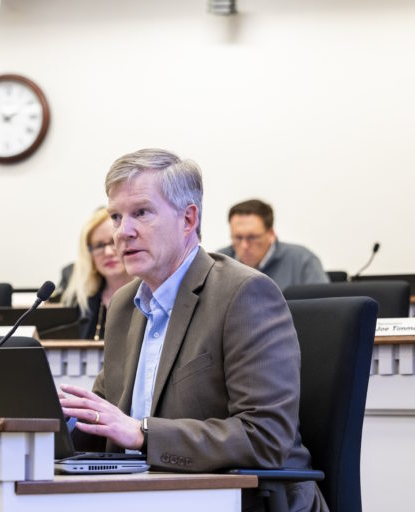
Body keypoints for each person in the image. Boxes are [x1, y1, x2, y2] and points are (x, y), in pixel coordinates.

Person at [59, 149, 327, 511]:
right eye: (116, 217)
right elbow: (108, 423)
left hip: (245, 499)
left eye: (141, 212)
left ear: (188, 219)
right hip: (150, 495)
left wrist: (143, 434)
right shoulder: (123, 305)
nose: (123, 232)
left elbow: (265, 437)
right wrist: (53, 424)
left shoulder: (244, 294)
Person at [218, 199, 329, 290]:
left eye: (252, 237)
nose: (244, 245)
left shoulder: (302, 261)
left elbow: (322, 306)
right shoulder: (218, 264)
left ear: (271, 234)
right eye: (238, 237)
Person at [61, 208, 132, 339]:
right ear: (90, 255)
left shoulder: (148, 296)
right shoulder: (83, 302)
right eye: (99, 246)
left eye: (113, 242)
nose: (108, 252)